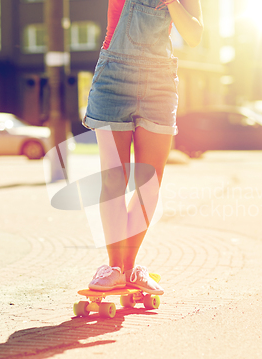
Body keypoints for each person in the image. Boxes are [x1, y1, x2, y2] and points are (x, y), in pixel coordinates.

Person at [82, 0, 203, 293]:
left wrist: (173, 3)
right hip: (113, 78)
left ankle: (128, 267)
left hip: (159, 84)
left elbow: (195, 36)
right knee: (114, 177)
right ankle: (114, 268)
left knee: (149, 184)